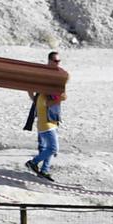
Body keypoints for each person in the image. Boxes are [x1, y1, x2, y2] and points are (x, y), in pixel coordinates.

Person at [24, 51, 67, 182]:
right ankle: (33, 162)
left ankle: (44, 170)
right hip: (46, 120)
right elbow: (53, 98)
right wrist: (60, 98)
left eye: (59, 61)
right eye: (55, 61)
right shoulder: (46, 78)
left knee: (47, 147)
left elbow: (34, 95)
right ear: (49, 61)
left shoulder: (52, 77)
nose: (57, 63)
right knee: (53, 148)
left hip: (51, 119)